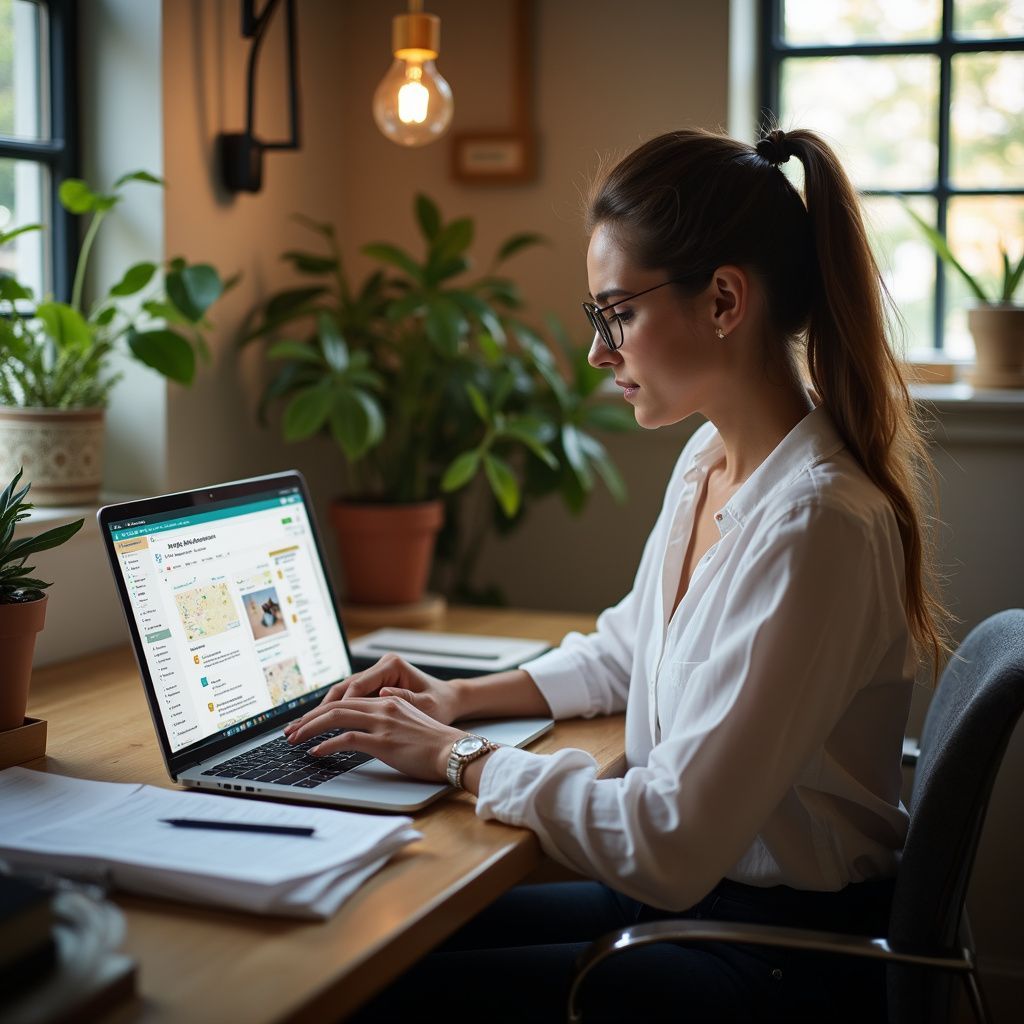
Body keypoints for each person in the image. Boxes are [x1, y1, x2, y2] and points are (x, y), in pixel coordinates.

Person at [284, 127, 949, 1023]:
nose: (600, 352)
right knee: (377, 930)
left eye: (616, 313)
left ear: (723, 300)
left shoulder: (817, 525)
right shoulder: (712, 461)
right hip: (696, 908)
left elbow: (669, 841)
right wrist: (459, 700)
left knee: (380, 985)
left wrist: (456, 760)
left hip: (771, 957)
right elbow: (630, 649)